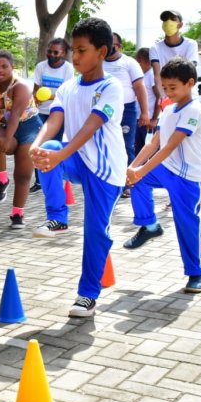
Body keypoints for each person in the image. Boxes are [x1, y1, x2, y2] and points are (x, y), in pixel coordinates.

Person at [29, 17, 125, 317]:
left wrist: (59, 155)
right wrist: (38, 144)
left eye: (83, 50)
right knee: (49, 148)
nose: (76, 56)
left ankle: (87, 295)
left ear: (102, 51)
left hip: (106, 170)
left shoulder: (112, 87)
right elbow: (54, 120)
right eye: (75, 50)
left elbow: (90, 127)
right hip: (76, 159)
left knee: (96, 233)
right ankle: (58, 217)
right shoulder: (68, 87)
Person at [123, 57, 201, 293]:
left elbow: (170, 145)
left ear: (190, 83)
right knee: (136, 181)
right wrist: (133, 167)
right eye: (165, 87)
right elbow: (153, 144)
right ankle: (149, 225)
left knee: (186, 225)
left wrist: (141, 169)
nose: (168, 92)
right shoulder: (168, 109)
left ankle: (196, 273)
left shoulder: (195, 110)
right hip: (167, 168)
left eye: (173, 87)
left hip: (189, 178)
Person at [0, 50, 42, 229]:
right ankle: (2, 180)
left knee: (23, 174)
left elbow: (16, 114)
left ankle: (17, 214)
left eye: (4, 66)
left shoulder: (21, 86)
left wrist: (8, 139)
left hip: (30, 127)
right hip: (8, 126)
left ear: (12, 67)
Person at [30, 38, 74, 192]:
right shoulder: (41, 67)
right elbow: (36, 89)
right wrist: (36, 97)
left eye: (56, 52)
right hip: (41, 113)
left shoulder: (68, 69)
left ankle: (53, 179)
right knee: (38, 146)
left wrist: (48, 97)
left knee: (52, 147)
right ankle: (39, 181)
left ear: (63, 53)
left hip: (58, 113)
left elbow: (66, 94)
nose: (51, 54)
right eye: (50, 51)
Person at [104, 32, 149, 175]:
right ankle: (110, 180)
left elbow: (140, 88)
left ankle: (128, 183)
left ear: (119, 47)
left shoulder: (129, 62)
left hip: (127, 110)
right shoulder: (97, 62)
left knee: (126, 146)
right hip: (104, 110)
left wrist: (145, 112)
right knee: (106, 145)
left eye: (111, 44)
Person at [150, 10, 199, 103]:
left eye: (173, 19)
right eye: (165, 20)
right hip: (168, 100)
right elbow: (157, 76)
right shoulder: (155, 48)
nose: (168, 22)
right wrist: (162, 97)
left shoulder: (190, 44)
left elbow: (188, 71)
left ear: (180, 25)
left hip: (189, 98)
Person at [134, 47, 160, 155]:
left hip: (149, 120)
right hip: (140, 120)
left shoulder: (152, 76)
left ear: (141, 60)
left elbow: (159, 97)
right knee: (139, 150)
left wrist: (154, 119)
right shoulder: (142, 76)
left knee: (151, 151)